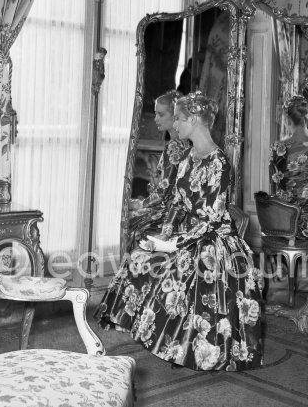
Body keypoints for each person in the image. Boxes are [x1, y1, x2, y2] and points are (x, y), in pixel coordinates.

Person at [95, 90, 264, 371]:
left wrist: (174, 245)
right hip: (185, 234)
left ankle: (186, 346)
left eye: (180, 119)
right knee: (137, 261)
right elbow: (176, 202)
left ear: (195, 120)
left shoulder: (219, 163)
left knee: (182, 270)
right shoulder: (188, 157)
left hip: (213, 241)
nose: (175, 125)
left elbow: (211, 219)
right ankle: (159, 337)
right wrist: (165, 233)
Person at [128, 90, 189, 250]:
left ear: (175, 116)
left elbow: (163, 191)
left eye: (160, 114)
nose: (155, 119)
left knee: (127, 220)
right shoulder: (185, 143)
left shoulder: (174, 146)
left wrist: (140, 204)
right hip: (177, 209)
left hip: (169, 212)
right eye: (155, 114)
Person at [269, 95, 308, 239]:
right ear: (306, 119)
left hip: (283, 218)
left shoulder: (278, 147)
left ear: (288, 120)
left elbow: (274, 184)